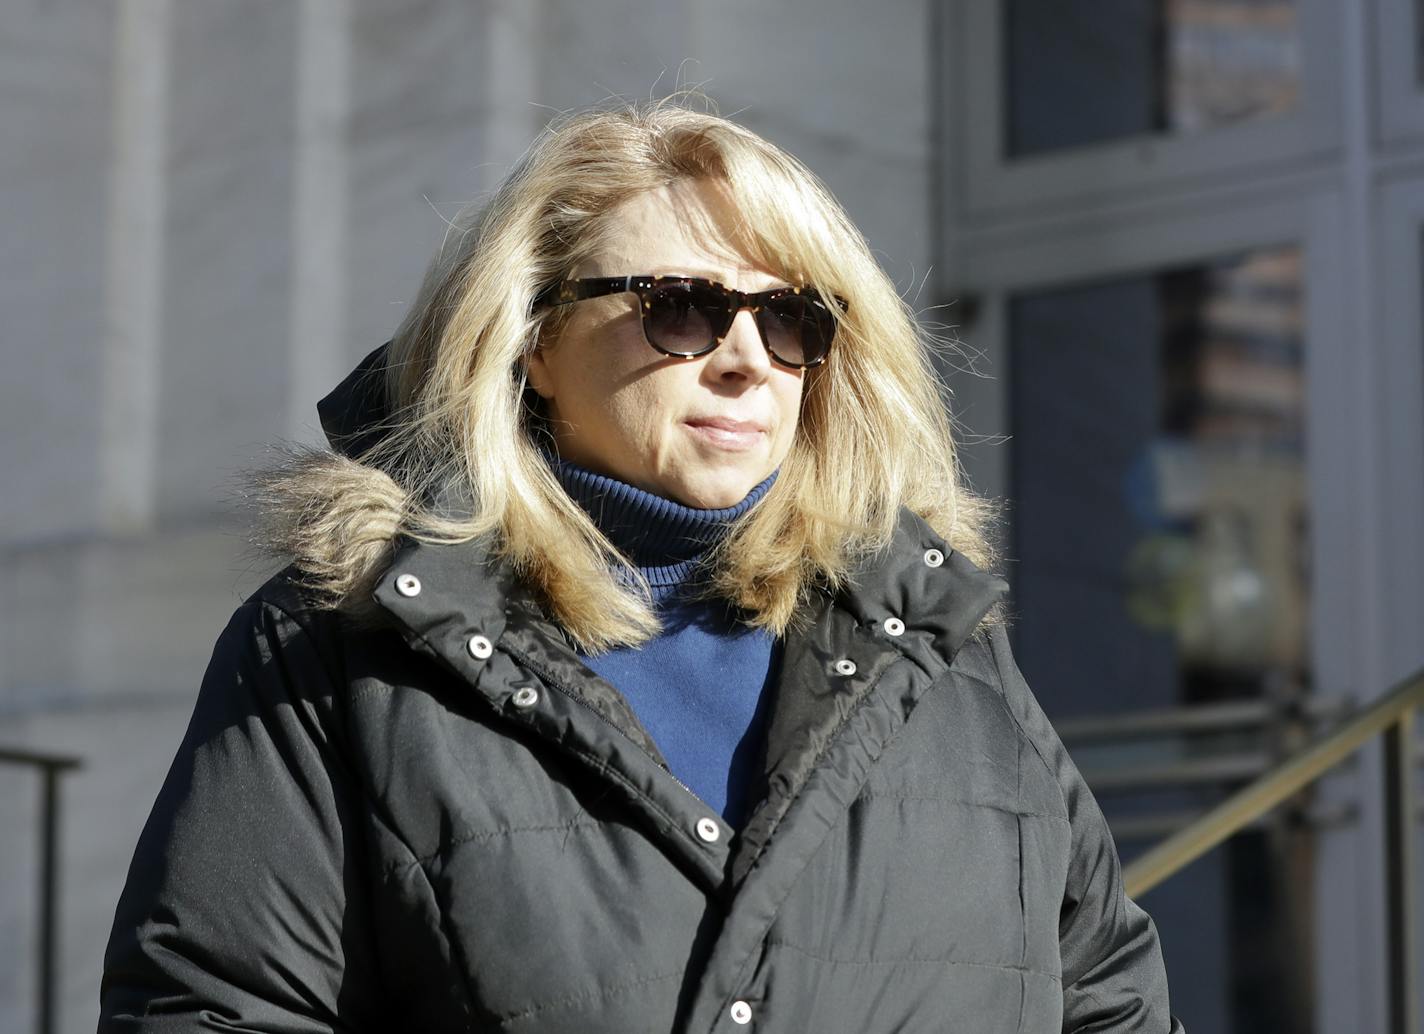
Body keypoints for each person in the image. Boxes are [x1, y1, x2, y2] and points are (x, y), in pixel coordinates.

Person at [99, 100, 1183, 1033]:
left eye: (791, 318)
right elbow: (213, 1003)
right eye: (681, 306)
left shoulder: (938, 647)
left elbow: (1107, 998)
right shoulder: (347, 642)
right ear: (531, 338)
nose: (744, 356)